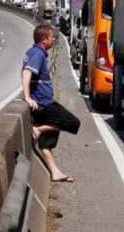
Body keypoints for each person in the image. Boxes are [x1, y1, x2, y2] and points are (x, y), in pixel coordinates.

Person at [22, 24, 80, 182]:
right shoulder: (37, 54)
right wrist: (27, 97)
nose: (54, 39)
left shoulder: (35, 52)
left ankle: (55, 172)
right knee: (72, 123)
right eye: (51, 37)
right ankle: (38, 129)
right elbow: (27, 73)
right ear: (43, 39)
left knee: (46, 143)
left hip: (42, 102)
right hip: (44, 104)